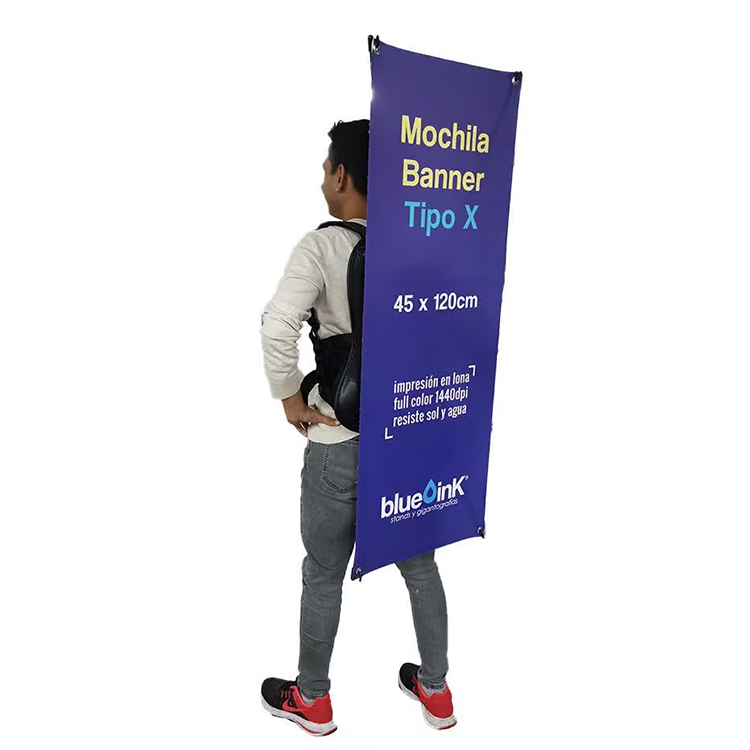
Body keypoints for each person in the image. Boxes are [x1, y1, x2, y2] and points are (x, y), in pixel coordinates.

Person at [259, 119, 456, 735]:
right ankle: (437, 691)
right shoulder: (418, 243)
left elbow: (277, 326)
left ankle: (313, 700)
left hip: (338, 440)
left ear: (342, 174)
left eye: (326, 166)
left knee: (322, 572)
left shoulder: (320, 248)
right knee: (419, 567)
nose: (323, 176)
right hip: (406, 439)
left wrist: (290, 398)